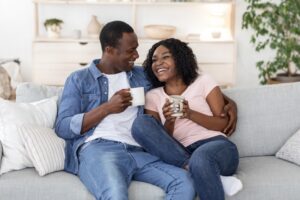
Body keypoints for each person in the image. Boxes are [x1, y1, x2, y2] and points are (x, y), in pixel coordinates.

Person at [55, 21, 196, 200]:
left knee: (185, 182)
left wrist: (226, 101)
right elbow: (63, 127)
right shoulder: (79, 79)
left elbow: (183, 79)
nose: (137, 55)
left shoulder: (142, 75)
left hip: (140, 150)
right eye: (131, 50)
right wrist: (107, 108)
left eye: (136, 49)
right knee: (115, 193)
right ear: (109, 50)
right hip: (100, 150)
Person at [131, 38, 240, 200]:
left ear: (180, 59)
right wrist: (170, 121)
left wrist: (190, 114)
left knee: (201, 158)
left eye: (165, 57)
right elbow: (160, 142)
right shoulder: (153, 96)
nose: (158, 63)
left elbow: (222, 125)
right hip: (180, 152)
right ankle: (197, 170)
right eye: (154, 60)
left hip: (216, 146)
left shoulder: (204, 81)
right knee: (141, 124)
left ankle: (198, 168)